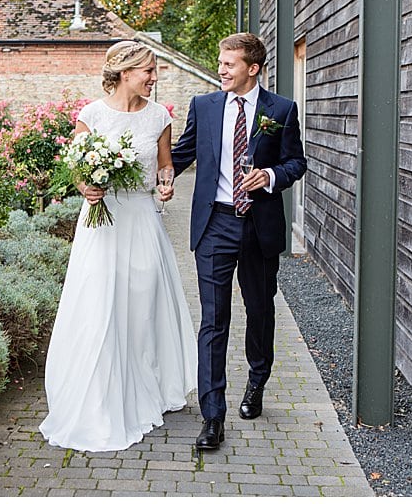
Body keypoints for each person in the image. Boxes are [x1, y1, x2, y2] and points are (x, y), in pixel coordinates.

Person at [39, 40, 197, 452]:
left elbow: (166, 163)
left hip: (142, 218)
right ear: (125, 71)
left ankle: (147, 386)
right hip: (102, 222)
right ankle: (99, 396)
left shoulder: (159, 116)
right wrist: (85, 188)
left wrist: (165, 184)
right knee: (100, 304)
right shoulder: (91, 115)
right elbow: (76, 168)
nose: (154, 77)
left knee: (142, 306)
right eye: (149, 70)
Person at [171, 32, 307, 450]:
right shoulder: (204, 106)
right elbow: (180, 155)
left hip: (259, 226)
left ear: (253, 68)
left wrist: (269, 177)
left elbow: (296, 162)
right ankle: (213, 416)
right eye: (220, 61)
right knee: (213, 320)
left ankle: (257, 382)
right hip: (215, 224)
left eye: (229, 64)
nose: (221, 69)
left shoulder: (280, 109)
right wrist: (132, 175)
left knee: (260, 310)